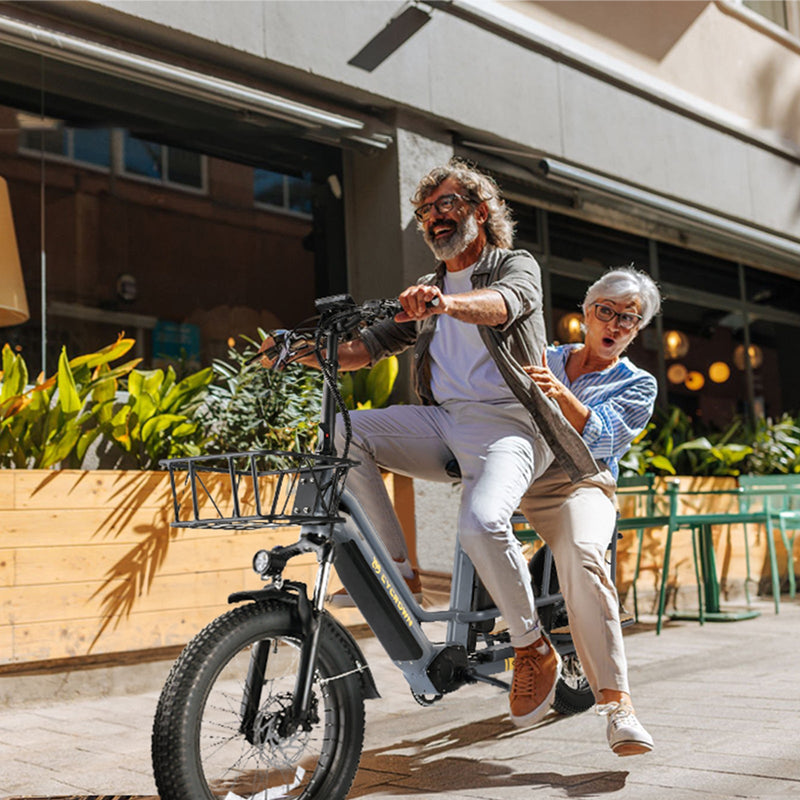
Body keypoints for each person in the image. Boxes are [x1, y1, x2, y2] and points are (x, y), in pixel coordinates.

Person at [261, 158, 600, 728]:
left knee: (481, 523)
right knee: (344, 430)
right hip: (444, 422)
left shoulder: (513, 266)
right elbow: (364, 349)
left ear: (481, 210)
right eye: (425, 212)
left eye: (447, 205)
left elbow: (505, 305)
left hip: (513, 425)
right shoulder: (430, 289)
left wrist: (446, 304)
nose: (434, 219)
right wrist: (296, 350)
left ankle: (532, 647)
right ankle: (401, 568)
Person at [520, 265, 661, 755]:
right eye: (607, 312)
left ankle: (618, 707)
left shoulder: (639, 383)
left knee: (583, 554)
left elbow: (602, 436)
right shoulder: (544, 356)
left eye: (630, 319)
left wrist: (561, 398)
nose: (616, 325)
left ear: (637, 330)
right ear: (585, 313)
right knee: (473, 514)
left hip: (582, 482)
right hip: (521, 472)